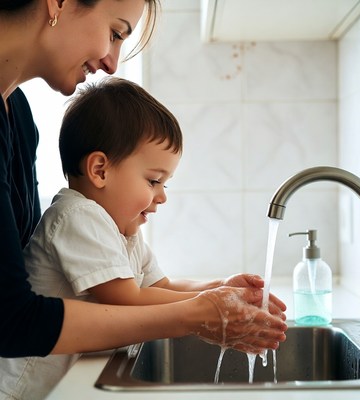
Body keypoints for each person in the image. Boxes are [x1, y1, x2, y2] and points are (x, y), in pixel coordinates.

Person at [0, 0, 286, 373]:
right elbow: (17, 319)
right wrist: (199, 312)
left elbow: (159, 285)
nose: (112, 63)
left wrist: (216, 289)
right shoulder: (78, 216)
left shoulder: (18, 117)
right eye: (115, 33)